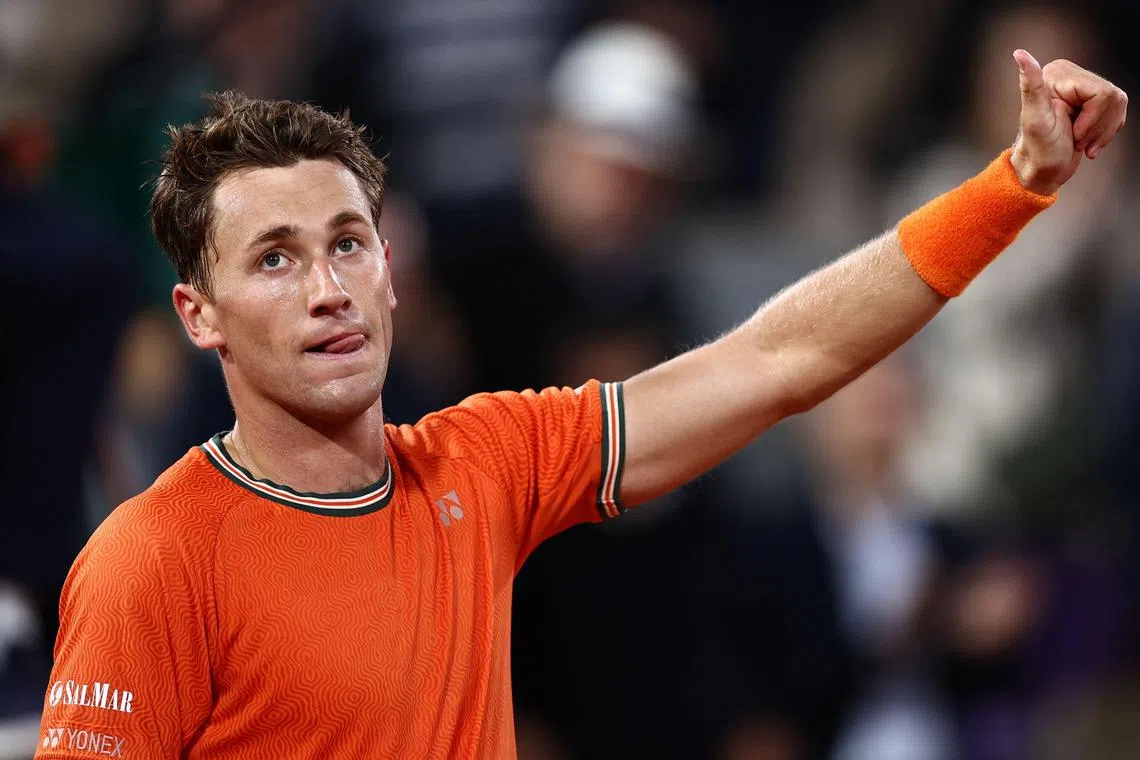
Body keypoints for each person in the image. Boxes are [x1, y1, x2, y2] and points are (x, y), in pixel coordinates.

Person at [34, 50, 1126, 759]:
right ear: (198, 315)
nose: (328, 289)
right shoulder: (153, 558)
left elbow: (780, 358)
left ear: (391, 273)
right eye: (274, 259)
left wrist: (1015, 186)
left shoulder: (489, 462)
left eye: (347, 244)